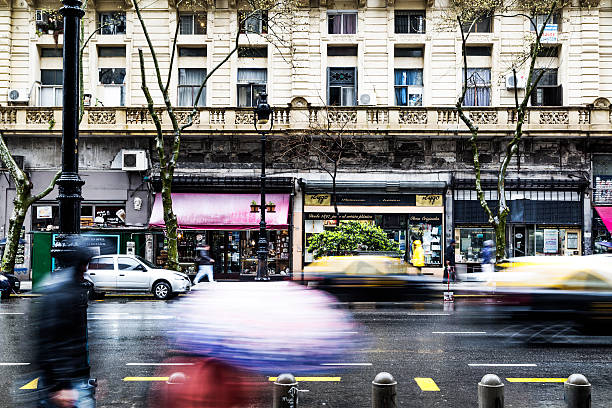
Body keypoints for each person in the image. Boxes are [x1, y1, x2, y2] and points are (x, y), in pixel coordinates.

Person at [33, 236, 98, 408]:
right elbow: (50, 344)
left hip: (73, 381)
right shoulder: (61, 293)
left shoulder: (67, 288)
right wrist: (61, 385)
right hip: (66, 386)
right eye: (85, 263)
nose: (86, 268)